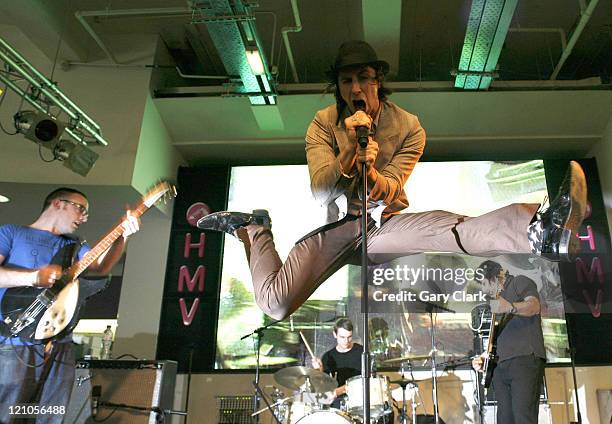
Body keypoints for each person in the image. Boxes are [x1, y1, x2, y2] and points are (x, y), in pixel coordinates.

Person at [197, 39, 588, 321]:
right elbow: (321, 188)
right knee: (275, 305)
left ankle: (539, 230)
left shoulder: (409, 128)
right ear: (337, 85)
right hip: (338, 227)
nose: (355, 89)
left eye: (363, 78)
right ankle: (254, 227)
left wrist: (374, 175)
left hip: (383, 226)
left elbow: (393, 186)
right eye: (346, 80)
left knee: (453, 230)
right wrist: (350, 148)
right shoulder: (322, 123)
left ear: (378, 79)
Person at [0, 187, 140, 423]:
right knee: (11, 412)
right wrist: (33, 277)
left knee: (51, 413)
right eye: (80, 209)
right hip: (15, 340)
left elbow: (100, 267)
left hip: (59, 343)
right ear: (57, 203)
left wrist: (122, 236)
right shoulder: (11, 233)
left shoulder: (75, 245)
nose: (84, 217)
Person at [471, 260, 545, 424]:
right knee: (504, 419)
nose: (484, 289)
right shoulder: (495, 301)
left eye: (484, 283)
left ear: (495, 277)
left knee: (523, 417)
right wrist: (485, 357)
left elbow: (534, 306)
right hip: (500, 365)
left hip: (524, 358)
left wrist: (510, 307)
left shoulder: (519, 282)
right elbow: (496, 336)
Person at [310, 318, 362, 410]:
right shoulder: (328, 356)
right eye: (342, 337)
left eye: (349, 337)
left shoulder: (362, 352)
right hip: (338, 405)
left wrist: (337, 392)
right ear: (335, 334)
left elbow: (363, 381)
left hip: (360, 401)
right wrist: (319, 370)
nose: (346, 341)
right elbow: (324, 386)